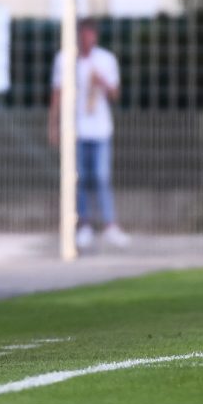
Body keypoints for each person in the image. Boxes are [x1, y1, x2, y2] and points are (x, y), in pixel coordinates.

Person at [48, 19, 130, 250]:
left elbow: (115, 93)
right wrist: (53, 126)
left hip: (101, 129)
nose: (86, 39)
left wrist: (101, 81)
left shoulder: (105, 60)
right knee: (80, 178)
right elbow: (57, 94)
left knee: (102, 177)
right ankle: (84, 225)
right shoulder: (64, 60)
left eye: (90, 35)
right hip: (75, 130)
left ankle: (110, 224)